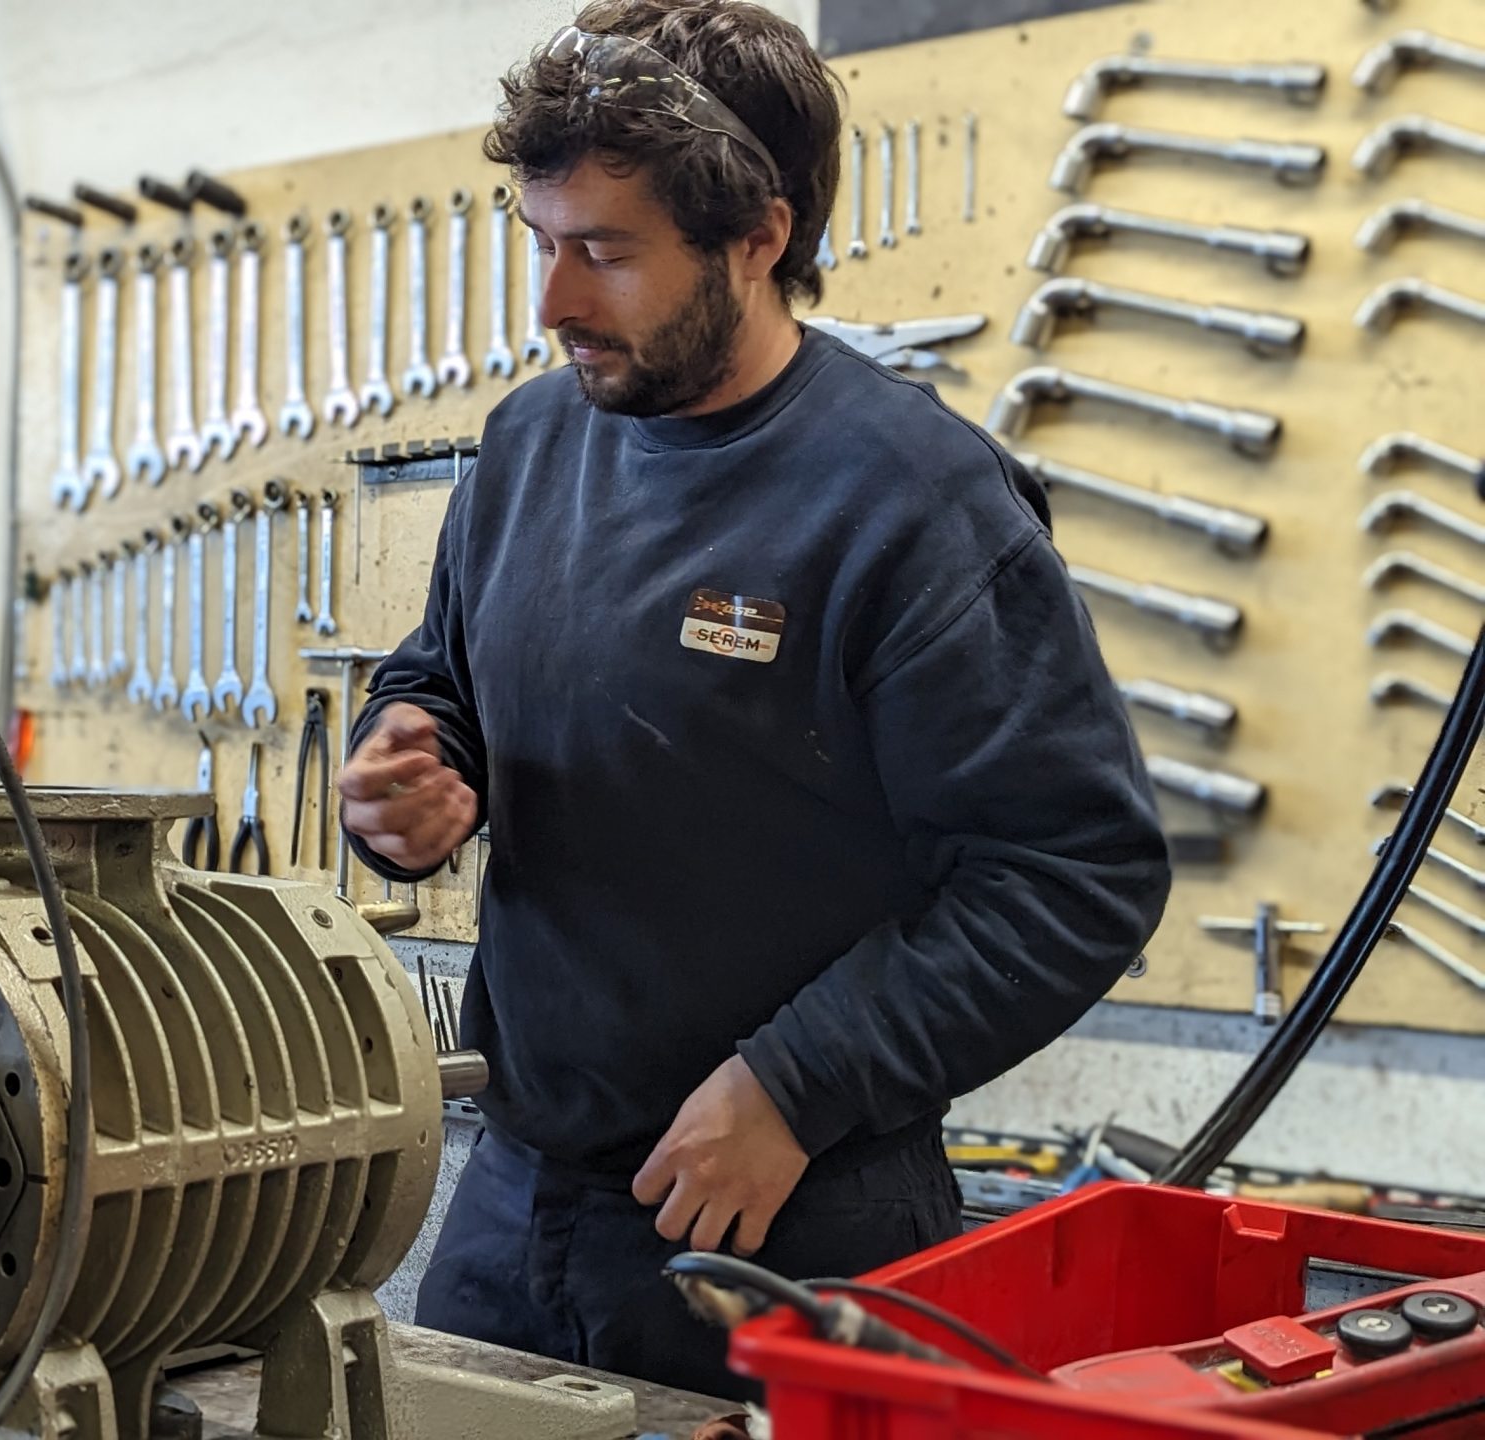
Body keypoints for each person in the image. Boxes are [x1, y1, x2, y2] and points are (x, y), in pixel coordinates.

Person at [337, 0, 1171, 1401]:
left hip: (794, 1226)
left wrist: (799, 1083)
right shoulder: (535, 441)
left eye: (603, 252)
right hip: (510, 1205)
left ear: (759, 238)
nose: (552, 305)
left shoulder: (912, 503)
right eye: (542, 244)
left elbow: (1075, 872)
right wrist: (410, 763)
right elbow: (447, 675)